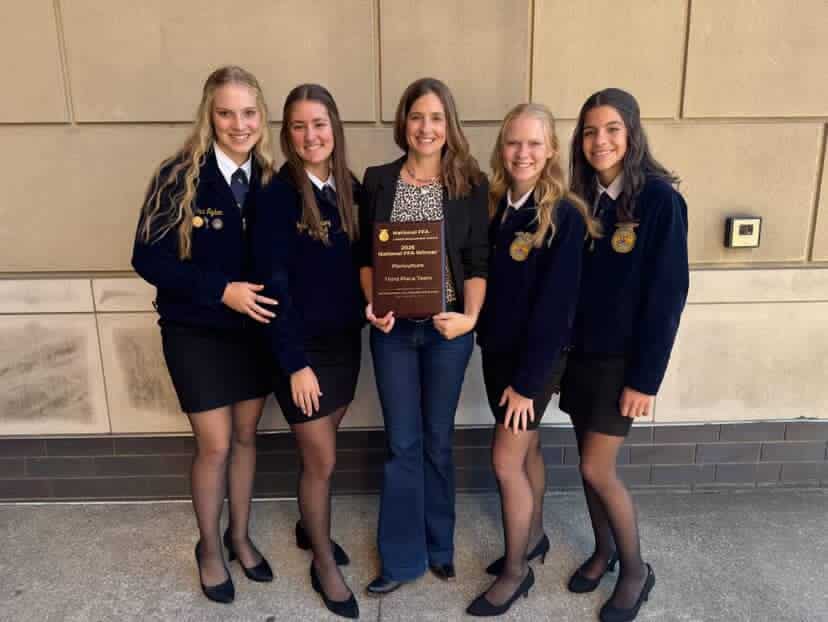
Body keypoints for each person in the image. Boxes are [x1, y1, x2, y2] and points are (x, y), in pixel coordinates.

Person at [131, 66, 277, 604]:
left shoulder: (269, 178)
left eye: (248, 112)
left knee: (245, 438)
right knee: (214, 445)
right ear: (209, 116)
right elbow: (146, 257)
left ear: (261, 117)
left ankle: (240, 537)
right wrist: (221, 290)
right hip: (196, 331)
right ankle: (210, 549)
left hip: (253, 334)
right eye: (226, 113)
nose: (238, 124)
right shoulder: (178, 175)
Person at [561, 87, 689, 622]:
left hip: (623, 366)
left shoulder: (659, 200)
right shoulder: (580, 198)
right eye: (590, 131)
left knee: (597, 467)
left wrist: (645, 380)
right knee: (587, 468)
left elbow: (667, 298)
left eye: (612, 129)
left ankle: (635, 569)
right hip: (581, 358)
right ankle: (603, 550)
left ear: (632, 134)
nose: (600, 141)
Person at [356, 78, 489, 594]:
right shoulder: (377, 180)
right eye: (417, 117)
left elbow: (478, 260)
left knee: (437, 440)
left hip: (447, 332)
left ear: (448, 125)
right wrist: (373, 304)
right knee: (402, 443)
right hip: (392, 333)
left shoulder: (469, 184)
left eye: (436, 118)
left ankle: (440, 546)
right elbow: (366, 259)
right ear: (403, 123)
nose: (426, 128)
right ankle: (401, 557)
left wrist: (471, 319)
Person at [468, 103, 599, 617]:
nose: (522, 153)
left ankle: (516, 570)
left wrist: (526, 384)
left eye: (533, 143)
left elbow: (555, 310)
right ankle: (536, 537)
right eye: (513, 143)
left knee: (504, 460)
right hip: (497, 353)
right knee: (527, 452)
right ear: (503, 149)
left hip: (532, 365)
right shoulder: (498, 205)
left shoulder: (561, 215)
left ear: (550, 151)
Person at [251, 83, 363, 619]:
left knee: (322, 449)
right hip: (301, 352)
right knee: (322, 460)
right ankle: (323, 562)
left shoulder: (351, 188)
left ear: (334, 128)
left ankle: (306, 525)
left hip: (346, 345)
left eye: (319, 123)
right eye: (298, 125)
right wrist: (293, 362)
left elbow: (368, 266)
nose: (310, 135)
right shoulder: (276, 195)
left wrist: (382, 303)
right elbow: (273, 285)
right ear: (287, 133)